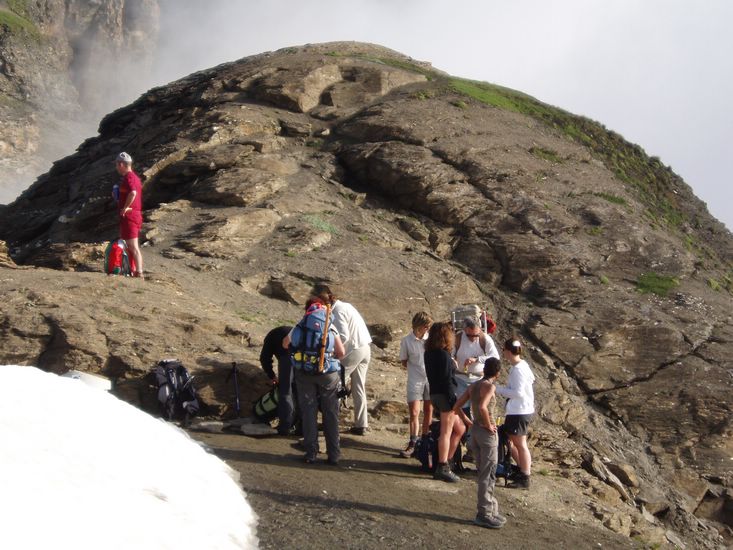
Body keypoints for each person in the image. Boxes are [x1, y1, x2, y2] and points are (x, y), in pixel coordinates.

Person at [283, 303, 345, 465]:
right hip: (328, 374)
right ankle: (334, 455)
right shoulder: (329, 326)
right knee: (331, 413)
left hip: (304, 373)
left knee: (309, 412)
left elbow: (285, 344)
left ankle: (311, 453)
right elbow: (341, 352)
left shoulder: (301, 325)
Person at [310, 283, 372, 436]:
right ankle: (361, 424)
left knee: (335, 385)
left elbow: (343, 336)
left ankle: (330, 423)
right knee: (359, 387)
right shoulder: (346, 306)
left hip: (353, 349)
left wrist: (329, 351)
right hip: (365, 347)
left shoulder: (336, 311)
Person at [454, 358, 507, 529]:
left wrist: (469, 422)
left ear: (484, 370)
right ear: (497, 373)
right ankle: (484, 513)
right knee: (488, 474)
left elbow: (457, 406)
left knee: (483, 471)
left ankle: (491, 510)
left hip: (474, 432)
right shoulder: (490, 387)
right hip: (486, 433)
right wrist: (487, 424)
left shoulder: (473, 386)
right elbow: (484, 407)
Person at [424, 321, 466, 482]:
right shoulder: (443, 355)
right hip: (445, 395)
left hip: (435, 393)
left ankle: (446, 461)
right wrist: (453, 400)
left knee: (459, 428)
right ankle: (442, 465)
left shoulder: (429, 353)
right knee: (446, 432)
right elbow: (447, 379)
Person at [495, 338, 535, 489]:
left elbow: (518, 392)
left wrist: (497, 389)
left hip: (519, 410)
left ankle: (525, 476)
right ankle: (521, 471)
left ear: (508, 351)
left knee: (520, 444)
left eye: (504, 350)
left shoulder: (518, 369)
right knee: (512, 440)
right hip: (520, 409)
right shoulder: (521, 366)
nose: (503, 353)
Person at [398, 311, 433, 458]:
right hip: (415, 380)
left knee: (428, 411)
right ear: (421, 326)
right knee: (414, 412)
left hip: (430, 379)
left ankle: (424, 441)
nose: (428, 329)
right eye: (426, 326)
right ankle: (413, 441)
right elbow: (404, 361)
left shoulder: (430, 340)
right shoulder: (406, 341)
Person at [259, 325, 298, 435]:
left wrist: (272, 376)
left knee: (285, 393)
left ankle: (285, 427)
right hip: (304, 357)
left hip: (288, 356)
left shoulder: (270, 339)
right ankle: (301, 426)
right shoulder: (290, 330)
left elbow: (264, 358)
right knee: (300, 392)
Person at [453, 317, 499, 401]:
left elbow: (495, 357)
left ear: (480, 330)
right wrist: (453, 361)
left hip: (479, 379)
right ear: (464, 330)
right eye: (469, 335)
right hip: (460, 378)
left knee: (478, 408)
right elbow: (450, 354)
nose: (472, 338)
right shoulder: (458, 338)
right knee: (463, 408)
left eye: (475, 335)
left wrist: (477, 359)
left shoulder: (485, 339)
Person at [114, 152, 144, 278]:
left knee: (133, 246)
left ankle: (139, 272)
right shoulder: (135, 178)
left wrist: (126, 208)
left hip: (131, 216)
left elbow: (133, 193)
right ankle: (131, 270)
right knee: (130, 246)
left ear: (121, 164)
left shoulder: (129, 177)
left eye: (116, 165)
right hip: (133, 215)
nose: (116, 167)